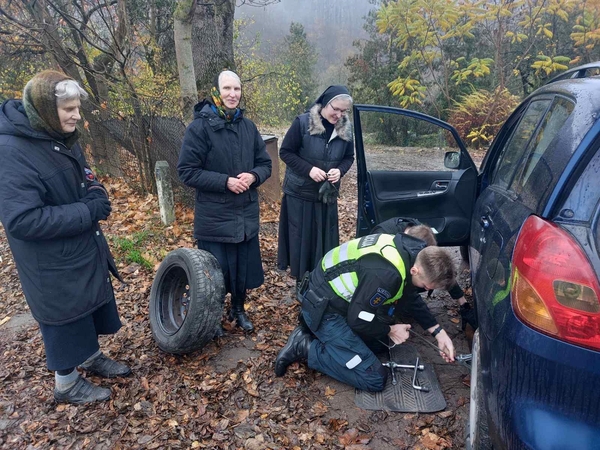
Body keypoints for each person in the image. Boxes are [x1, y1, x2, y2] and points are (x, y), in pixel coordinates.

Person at [0, 70, 130, 404]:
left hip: (77, 247)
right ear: (45, 109)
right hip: (50, 261)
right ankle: (67, 384)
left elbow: (85, 174)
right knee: (65, 315)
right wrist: (87, 211)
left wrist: (97, 190)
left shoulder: (58, 134)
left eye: (76, 107)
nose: (76, 115)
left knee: (85, 305)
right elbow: (22, 220)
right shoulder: (11, 151)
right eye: (68, 109)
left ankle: (88, 356)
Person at [274, 232, 456, 392]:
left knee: (381, 345)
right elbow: (358, 319)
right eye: (425, 286)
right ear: (415, 271)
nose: (423, 290)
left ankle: (328, 340)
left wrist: (439, 333)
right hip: (324, 310)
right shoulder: (386, 275)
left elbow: (410, 295)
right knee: (374, 378)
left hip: (339, 301)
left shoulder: (414, 252)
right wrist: (390, 329)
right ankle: (305, 346)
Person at [178, 70, 272, 334]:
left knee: (241, 269)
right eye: (227, 89)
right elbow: (186, 171)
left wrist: (253, 176)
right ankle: (213, 317)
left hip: (245, 214)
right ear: (216, 92)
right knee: (214, 273)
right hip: (215, 217)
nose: (233, 94)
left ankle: (238, 310)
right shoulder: (199, 128)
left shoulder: (248, 126)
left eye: (237, 89)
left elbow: (265, 164)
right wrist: (225, 182)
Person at [277, 85, 355, 285]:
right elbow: (285, 152)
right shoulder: (302, 123)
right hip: (300, 194)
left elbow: (349, 157)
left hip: (326, 196)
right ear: (324, 103)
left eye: (343, 111)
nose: (338, 115)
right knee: (301, 242)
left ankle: (318, 283)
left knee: (323, 244)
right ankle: (300, 284)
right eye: (335, 109)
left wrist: (340, 170)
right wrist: (309, 169)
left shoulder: (345, 128)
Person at [371, 217, 478, 331]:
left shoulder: (423, 235)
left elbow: (441, 271)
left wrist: (464, 304)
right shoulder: (383, 238)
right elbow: (408, 293)